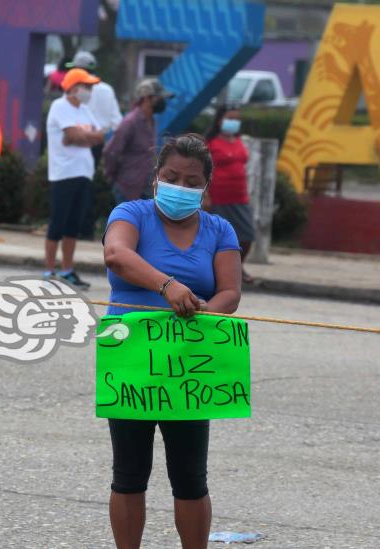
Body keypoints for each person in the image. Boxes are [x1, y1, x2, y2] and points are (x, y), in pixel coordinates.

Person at [102, 134, 242, 548]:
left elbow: (230, 292)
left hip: (189, 362)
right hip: (131, 358)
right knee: (128, 473)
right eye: (171, 176)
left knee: (190, 476)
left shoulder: (220, 229)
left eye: (191, 180)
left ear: (205, 186)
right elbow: (116, 254)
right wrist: (167, 286)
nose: (180, 185)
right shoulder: (131, 213)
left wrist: (205, 314)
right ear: (155, 178)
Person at [44, 68, 106, 289]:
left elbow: (99, 136)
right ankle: (49, 271)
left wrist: (83, 138)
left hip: (83, 173)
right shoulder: (59, 107)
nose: (89, 91)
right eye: (86, 86)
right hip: (64, 173)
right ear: (72, 87)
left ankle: (67, 270)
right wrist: (83, 137)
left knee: (73, 225)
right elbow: (72, 136)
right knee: (57, 223)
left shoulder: (84, 111)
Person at [68, 50, 123, 240]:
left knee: (75, 185)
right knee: (87, 184)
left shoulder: (76, 90)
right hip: (99, 143)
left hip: (78, 141)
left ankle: (75, 227)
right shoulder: (106, 89)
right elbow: (117, 122)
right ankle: (86, 228)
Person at [206, 105, 256, 284]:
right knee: (218, 237)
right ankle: (217, 272)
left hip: (240, 196)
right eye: (230, 118)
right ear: (220, 120)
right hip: (218, 197)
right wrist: (205, 195)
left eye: (236, 119)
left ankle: (237, 267)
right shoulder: (210, 143)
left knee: (247, 235)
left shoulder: (238, 140)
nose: (233, 122)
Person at [103, 78, 173, 204]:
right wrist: (113, 177)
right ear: (147, 98)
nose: (162, 102)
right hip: (128, 188)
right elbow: (111, 151)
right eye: (158, 98)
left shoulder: (152, 121)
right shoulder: (130, 122)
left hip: (147, 187)